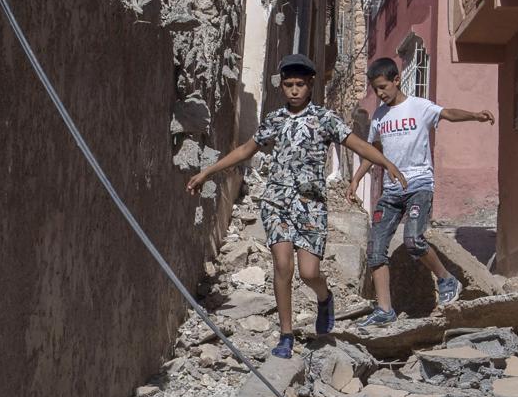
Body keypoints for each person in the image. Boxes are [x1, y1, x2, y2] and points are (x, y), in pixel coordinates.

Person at [187, 53, 407, 358]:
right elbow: (245, 150)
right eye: (288, 84)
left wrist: (387, 163)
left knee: (309, 271)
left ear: (310, 85)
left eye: (300, 84)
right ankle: (286, 335)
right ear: (282, 87)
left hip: (311, 205)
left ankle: (324, 297)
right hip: (276, 202)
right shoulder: (274, 120)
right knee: (282, 266)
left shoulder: (325, 119)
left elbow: (358, 144)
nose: (294, 90)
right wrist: (208, 171)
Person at [351, 55, 495, 327]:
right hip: (391, 190)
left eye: (383, 87)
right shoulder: (379, 116)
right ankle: (384, 309)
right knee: (376, 250)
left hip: (419, 183)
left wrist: (475, 115)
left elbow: (447, 113)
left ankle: (446, 279)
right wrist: (357, 179)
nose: (380, 93)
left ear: (396, 80)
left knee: (413, 239)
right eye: (376, 89)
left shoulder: (419, 106)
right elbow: (373, 151)